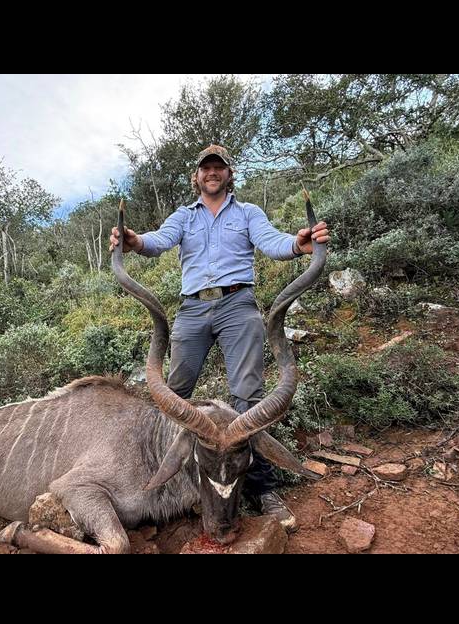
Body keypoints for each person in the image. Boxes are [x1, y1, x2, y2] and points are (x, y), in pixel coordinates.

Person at [109, 144, 330, 532]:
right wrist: (133, 240)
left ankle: (262, 489)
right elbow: (156, 241)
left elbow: (274, 243)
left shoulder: (248, 213)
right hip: (192, 310)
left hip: (236, 304)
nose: (212, 173)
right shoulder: (184, 216)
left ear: (229, 174)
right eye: (205, 168)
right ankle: (175, 482)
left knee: (249, 398)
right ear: (196, 177)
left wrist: (299, 244)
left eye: (219, 168)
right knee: (173, 396)